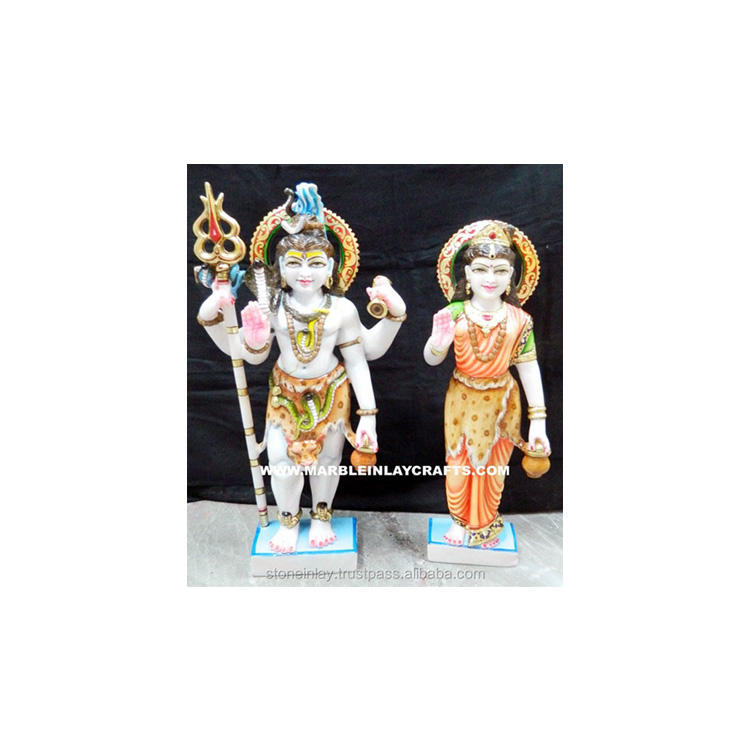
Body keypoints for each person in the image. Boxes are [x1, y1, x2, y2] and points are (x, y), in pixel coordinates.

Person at [196, 183, 406, 554]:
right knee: (280, 460)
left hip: (332, 391)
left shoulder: (342, 310)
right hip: (285, 393)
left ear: (332, 267)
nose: (304, 272)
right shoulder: (272, 307)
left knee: (328, 461)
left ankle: (322, 516)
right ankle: (289, 520)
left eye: (315, 263)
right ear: (278, 268)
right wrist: (214, 317)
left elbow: (361, 357)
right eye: (294, 262)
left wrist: (369, 414)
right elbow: (249, 355)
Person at [424, 220, 550, 548]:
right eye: (481, 269)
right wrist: (438, 343)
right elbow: (432, 359)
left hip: (503, 402)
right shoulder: (454, 313)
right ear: (466, 274)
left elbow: (529, 368)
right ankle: (458, 520)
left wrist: (538, 421)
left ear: (512, 277)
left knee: (493, 466)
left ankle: (483, 522)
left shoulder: (520, 320)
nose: (490, 279)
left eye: (500, 271)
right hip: (462, 399)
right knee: (458, 463)